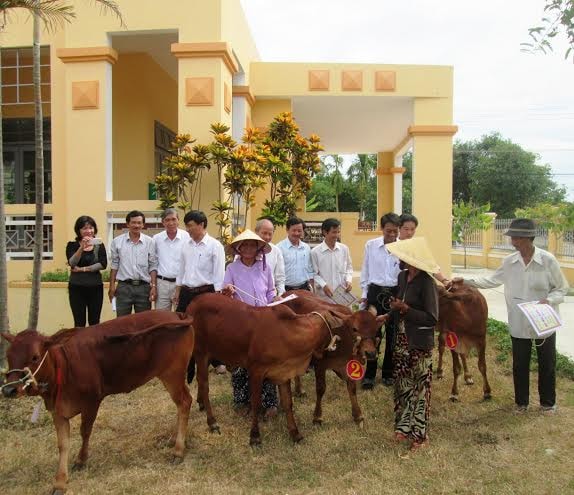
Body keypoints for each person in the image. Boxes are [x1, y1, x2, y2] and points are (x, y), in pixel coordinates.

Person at [450, 218, 568, 414]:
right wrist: (466, 280)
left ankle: (548, 403)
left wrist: (549, 300)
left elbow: (562, 288)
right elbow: (491, 280)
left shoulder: (548, 260)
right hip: (519, 320)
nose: (513, 242)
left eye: (517, 238)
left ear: (528, 238)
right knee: (520, 363)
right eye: (512, 238)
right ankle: (521, 403)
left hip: (543, 320)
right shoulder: (509, 262)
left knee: (547, 362)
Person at [381, 237, 439, 451]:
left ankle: (420, 435)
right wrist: (387, 316)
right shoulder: (403, 277)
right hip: (402, 341)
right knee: (402, 385)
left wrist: (406, 309)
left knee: (420, 388)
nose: (399, 259)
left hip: (420, 342)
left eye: (403, 256)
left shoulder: (427, 282)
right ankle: (403, 427)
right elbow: (398, 305)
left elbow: (432, 318)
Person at [222, 230, 278, 418]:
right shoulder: (231, 268)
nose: (248, 248)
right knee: (241, 362)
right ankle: (241, 400)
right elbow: (225, 294)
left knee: (266, 360)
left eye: (252, 245)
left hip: (263, 319)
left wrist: (275, 299)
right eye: (244, 245)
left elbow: (270, 292)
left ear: (258, 248)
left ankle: (270, 402)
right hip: (241, 321)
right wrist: (227, 291)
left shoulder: (265, 268)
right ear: (238, 248)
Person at [174, 210, 226, 381]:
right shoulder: (185, 245)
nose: (187, 229)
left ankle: (215, 361)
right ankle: (186, 366)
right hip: (187, 292)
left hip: (206, 293)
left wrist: (217, 296)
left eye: (190, 225)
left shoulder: (214, 245)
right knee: (182, 327)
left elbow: (219, 273)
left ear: (201, 225)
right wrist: (178, 290)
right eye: (186, 225)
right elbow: (181, 270)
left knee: (207, 329)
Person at [360, 212, 401, 389]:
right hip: (375, 293)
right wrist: (364, 294)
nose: (392, 235)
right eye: (389, 231)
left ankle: (388, 373)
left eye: (395, 231)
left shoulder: (403, 247)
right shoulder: (371, 245)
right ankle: (369, 374)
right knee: (372, 335)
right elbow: (365, 270)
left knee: (392, 335)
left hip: (394, 294)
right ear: (381, 229)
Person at [108, 210, 158, 317]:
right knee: (122, 322)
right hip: (124, 288)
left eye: (139, 223)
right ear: (127, 224)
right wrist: (112, 286)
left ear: (143, 224)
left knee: (143, 323)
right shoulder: (117, 242)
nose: (136, 225)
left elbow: (153, 265)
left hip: (144, 288)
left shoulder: (150, 242)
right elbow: (114, 264)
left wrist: (153, 286)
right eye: (133, 222)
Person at [66, 215, 108, 327]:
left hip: (95, 287)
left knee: (95, 321)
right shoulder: (72, 245)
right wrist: (81, 248)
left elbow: (103, 264)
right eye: (84, 228)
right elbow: (72, 263)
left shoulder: (99, 245)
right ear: (78, 230)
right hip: (77, 287)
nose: (88, 231)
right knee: (79, 322)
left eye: (91, 228)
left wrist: (82, 269)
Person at [153, 208, 190, 311]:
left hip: (182, 284)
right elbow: (153, 262)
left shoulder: (187, 237)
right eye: (167, 220)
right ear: (163, 222)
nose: (171, 223)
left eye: (174, 219)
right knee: (161, 317)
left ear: (178, 220)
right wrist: (154, 285)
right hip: (162, 284)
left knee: (180, 316)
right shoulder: (156, 239)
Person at [311, 217, 353, 301]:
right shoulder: (315, 252)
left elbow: (349, 268)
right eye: (334, 232)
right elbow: (313, 273)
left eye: (338, 232)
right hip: (324, 297)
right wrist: (324, 285)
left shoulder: (344, 249)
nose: (337, 235)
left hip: (342, 296)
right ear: (325, 232)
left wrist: (349, 280)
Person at [277, 216, 314, 292]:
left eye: (299, 231)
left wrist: (312, 287)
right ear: (287, 230)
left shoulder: (306, 248)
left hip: (304, 289)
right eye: (294, 230)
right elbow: (276, 272)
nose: (296, 233)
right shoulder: (279, 248)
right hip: (286, 290)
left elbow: (310, 269)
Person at [255, 218, 286, 297]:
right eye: (264, 233)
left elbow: (280, 277)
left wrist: (280, 294)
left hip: (270, 296)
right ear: (256, 231)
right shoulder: (245, 250)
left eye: (270, 234)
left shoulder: (276, 251)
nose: (267, 237)